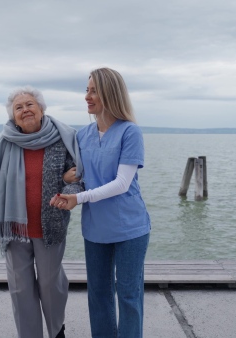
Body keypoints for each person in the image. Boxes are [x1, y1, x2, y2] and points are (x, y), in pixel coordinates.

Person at [50, 67, 151, 338]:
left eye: (94, 90)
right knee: (98, 294)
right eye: (87, 90)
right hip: (95, 228)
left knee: (129, 295)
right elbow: (79, 176)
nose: (87, 96)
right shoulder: (82, 136)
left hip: (130, 227)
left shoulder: (130, 132)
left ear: (110, 93)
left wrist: (78, 198)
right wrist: (66, 179)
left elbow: (121, 184)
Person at [0, 86, 82, 338]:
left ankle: (56, 331)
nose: (25, 110)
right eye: (18, 107)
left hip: (50, 225)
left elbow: (76, 175)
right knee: (20, 288)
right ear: (13, 115)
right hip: (13, 229)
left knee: (50, 285)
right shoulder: (4, 143)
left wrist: (68, 189)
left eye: (29, 104)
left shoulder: (61, 139)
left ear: (41, 109)